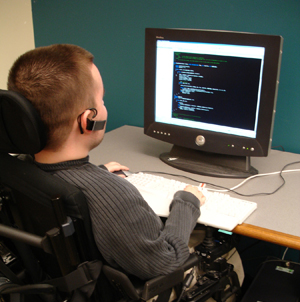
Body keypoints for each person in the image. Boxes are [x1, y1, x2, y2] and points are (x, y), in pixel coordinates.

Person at [7, 44, 206, 281]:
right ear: (87, 120)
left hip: (52, 283)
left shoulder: (18, 167)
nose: (104, 106)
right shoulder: (114, 194)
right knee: (226, 250)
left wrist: (96, 176)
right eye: (102, 100)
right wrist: (187, 202)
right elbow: (165, 261)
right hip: (130, 298)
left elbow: (63, 185)